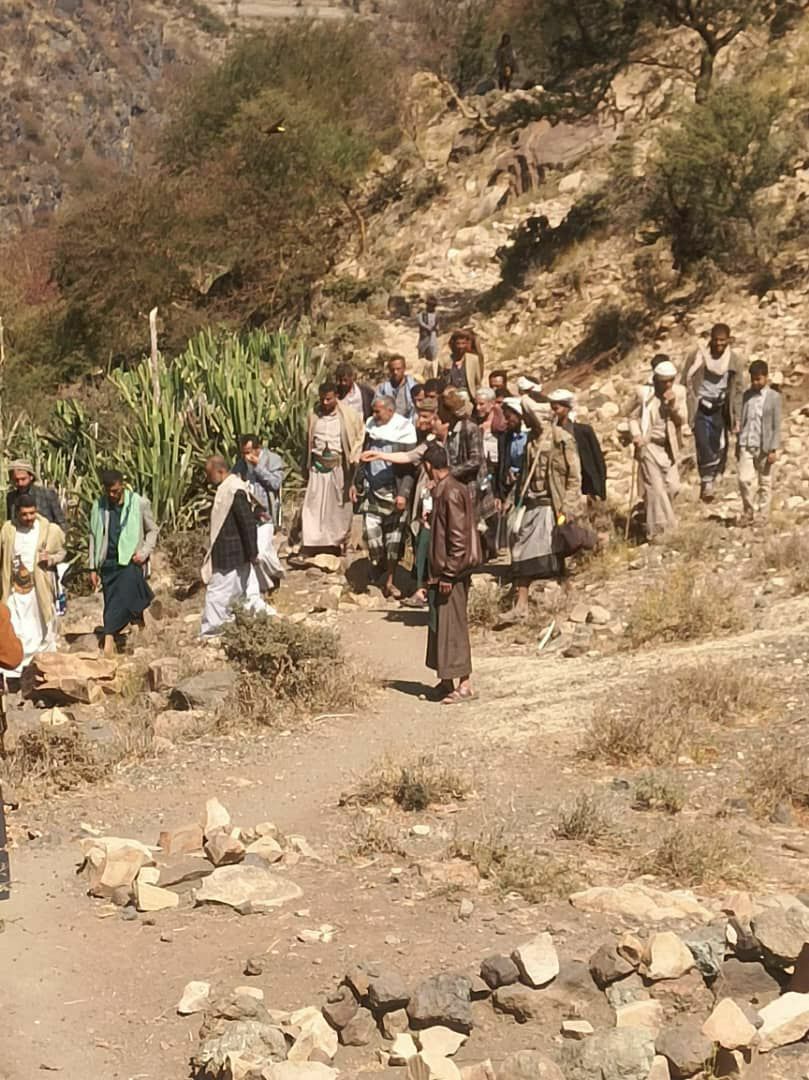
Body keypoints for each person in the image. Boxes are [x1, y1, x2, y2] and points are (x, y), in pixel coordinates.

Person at [508, 395, 582, 620]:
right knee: (524, 550)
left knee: (547, 552)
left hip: (552, 506)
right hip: (532, 504)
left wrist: (568, 507)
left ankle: (531, 602)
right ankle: (523, 604)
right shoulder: (531, 441)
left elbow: (574, 477)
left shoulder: (562, 440)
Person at [423, 443, 480, 705]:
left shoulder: (451, 492)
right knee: (441, 628)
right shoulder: (445, 491)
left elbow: (458, 540)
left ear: (428, 466)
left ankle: (464, 685)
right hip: (442, 573)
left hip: (451, 574)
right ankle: (446, 681)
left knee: (454, 627)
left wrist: (449, 574)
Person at [352, 396, 417, 598]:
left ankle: (390, 581)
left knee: (393, 542)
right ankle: (378, 565)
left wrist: (404, 493)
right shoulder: (371, 427)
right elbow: (363, 457)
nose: (374, 415)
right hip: (373, 491)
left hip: (394, 492)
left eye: (378, 411)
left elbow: (410, 468)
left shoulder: (404, 430)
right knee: (373, 538)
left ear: (390, 411)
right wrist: (355, 483)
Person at [89, 470, 158, 657]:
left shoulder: (139, 503)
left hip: (130, 559)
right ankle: (137, 625)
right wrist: (92, 567)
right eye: (109, 491)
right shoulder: (98, 507)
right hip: (108, 560)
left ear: (122, 486)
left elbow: (152, 530)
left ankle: (109, 638)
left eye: (116, 491)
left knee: (125, 594)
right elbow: (93, 537)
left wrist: (144, 553)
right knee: (111, 598)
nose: (113, 495)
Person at [0, 494, 65, 676]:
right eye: (24, 514)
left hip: (38, 589)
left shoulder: (48, 530)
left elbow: (61, 552)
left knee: (40, 629)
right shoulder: (8, 530)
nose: (29, 518)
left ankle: (40, 669)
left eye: (32, 513)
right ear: (17, 514)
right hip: (14, 589)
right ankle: (14, 671)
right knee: (15, 628)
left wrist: (50, 559)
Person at [682, 323, 746, 503]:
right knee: (703, 443)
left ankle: (715, 474)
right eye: (716, 340)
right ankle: (707, 481)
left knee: (718, 444)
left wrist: (737, 415)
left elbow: (738, 390)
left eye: (722, 340)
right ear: (711, 339)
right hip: (700, 406)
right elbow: (684, 381)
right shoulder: (698, 356)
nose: (719, 344)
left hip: (720, 407)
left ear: (728, 340)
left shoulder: (733, 361)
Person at [200, 456, 263, 637]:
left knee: (219, 593)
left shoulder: (234, 490)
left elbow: (247, 523)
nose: (209, 479)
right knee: (231, 593)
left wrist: (253, 552)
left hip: (230, 553)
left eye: (210, 474)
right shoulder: (228, 488)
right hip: (231, 552)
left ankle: (213, 631)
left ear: (220, 471)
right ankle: (228, 630)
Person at [302, 381, 365, 553]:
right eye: (322, 399)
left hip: (338, 468)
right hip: (317, 468)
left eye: (328, 399)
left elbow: (359, 437)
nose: (324, 403)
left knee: (338, 509)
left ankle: (337, 543)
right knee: (313, 507)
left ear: (336, 396)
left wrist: (354, 459)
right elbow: (308, 441)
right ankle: (313, 544)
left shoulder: (349, 415)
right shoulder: (314, 415)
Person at [629, 359, 687, 540]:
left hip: (668, 447)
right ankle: (659, 531)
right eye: (664, 381)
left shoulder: (679, 393)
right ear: (656, 380)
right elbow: (632, 417)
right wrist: (636, 434)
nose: (668, 385)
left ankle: (648, 514)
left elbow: (682, 420)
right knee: (656, 489)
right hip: (649, 445)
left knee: (673, 486)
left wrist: (672, 406)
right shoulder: (644, 394)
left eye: (671, 380)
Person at [232, 434, 284, 603]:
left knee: (261, 552)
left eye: (249, 452)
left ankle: (276, 575)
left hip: (266, 515)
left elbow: (275, 483)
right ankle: (265, 586)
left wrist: (258, 467)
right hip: (249, 516)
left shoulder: (272, 460)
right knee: (254, 554)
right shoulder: (240, 465)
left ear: (257, 449)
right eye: (243, 452)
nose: (246, 456)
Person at [440, 387, 494, 545]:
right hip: (457, 484)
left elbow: (476, 460)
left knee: (473, 526)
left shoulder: (470, 428)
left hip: (472, 484)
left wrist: (451, 472)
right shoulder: (452, 429)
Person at [737, 360, 782, 524]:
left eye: (759, 379)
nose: (755, 382)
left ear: (766, 377)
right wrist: (738, 443)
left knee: (764, 481)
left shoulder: (774, 397)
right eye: (753, 379)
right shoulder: (747, 396)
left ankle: (763, 514)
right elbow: (743, 419)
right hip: (746, 442)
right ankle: (748, 511)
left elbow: (776, 425)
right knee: (744, 479)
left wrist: (773, 449)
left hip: (764, 446)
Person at [548, 389, 607, 502]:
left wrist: (600, 491)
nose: (553, 413)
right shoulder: (549, 434)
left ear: (567, 408)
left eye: (556, 409)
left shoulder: (584, 432)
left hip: (584, 489)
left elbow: (598, 461)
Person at [5, 461, 65, 528]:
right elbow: (11, 523)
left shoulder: (47, 494)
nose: (20, 483)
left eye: (23, 479)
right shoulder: (11, 497)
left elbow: (61, 522)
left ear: (31, 477)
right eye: (16, 480)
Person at [377, 355, 419, 421]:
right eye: (392, 369)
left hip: (408, 421)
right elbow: (376, 406)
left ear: (404, 368)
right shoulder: (382, 388)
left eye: (398, 369)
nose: (395, 372)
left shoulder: (413, 387)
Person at [417, 296, 440, 364]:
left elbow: (437, 322)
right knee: (422, 347)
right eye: (430, 306)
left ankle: (431, 360)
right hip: (424, 334)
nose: (432, 308)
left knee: (432, 347)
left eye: (433, 306)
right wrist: (427, 327)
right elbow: (420, 322)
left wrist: (437, 328)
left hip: (433, 333)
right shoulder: (423, 313)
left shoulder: (436, 313)